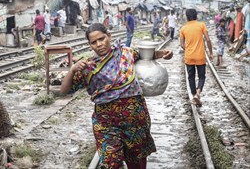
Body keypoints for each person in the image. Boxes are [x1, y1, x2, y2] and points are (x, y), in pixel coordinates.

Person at [60, 23, 173, 169]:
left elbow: (147, 56)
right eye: (94, 42)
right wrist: (72, 70)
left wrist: (164, 54)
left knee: (137, 163)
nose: (99, 44)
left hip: (135, 121)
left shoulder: (126, 53)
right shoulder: (88, 67)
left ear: (109, 36)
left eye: (101, 39)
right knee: (110, 163)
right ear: (89, 45)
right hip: (106, 123)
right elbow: (64, 91)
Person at [180, 8, 213, 107]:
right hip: (200, 56)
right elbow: (208, 40)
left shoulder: (183, 28)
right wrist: (211, 52)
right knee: (202, 76)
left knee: (191, 77)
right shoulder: (201, 25)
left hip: (189, 57)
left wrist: (189, 50)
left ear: (186, 17)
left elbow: (182, 44)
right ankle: (198, 93)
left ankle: (194, 95)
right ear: (196, 16)